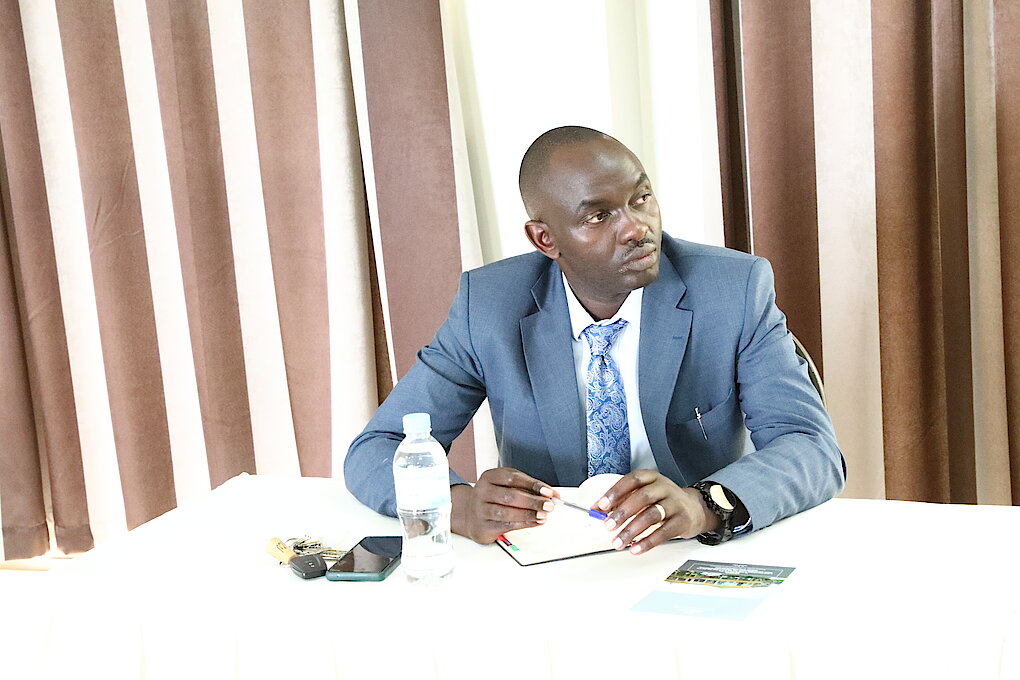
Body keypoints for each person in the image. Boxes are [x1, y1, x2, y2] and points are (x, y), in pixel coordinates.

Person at [345, 125, 845, 555]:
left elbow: (810, 446)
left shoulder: (732, 290)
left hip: (685, 553)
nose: (636, 228)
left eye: (640, 199)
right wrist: (457, 505)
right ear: (545, 239)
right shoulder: (491, 305)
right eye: (599, 216)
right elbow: (378, 448)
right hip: (547, 559)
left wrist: (702, 505)